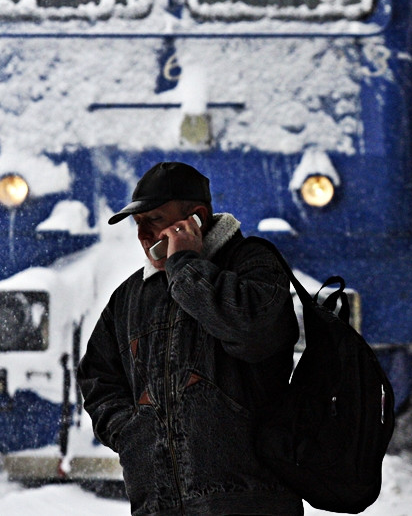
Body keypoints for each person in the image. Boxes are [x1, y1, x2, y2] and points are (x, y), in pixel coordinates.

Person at [76, 162, 302, 515]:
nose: (144, 236)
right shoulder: (130, 296)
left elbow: (253, 332)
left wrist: (184, 266)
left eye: (154, 220)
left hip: (248, 501)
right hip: (158, 505)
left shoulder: (254, 263)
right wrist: (132, 434)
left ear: (196, 217)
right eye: (138, 225)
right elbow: (97, 377)